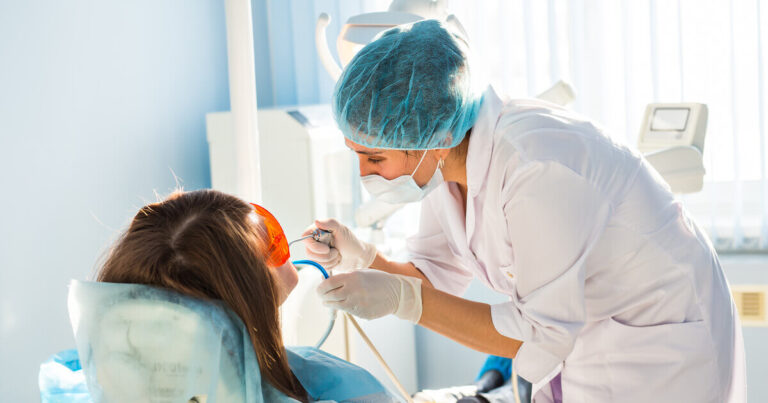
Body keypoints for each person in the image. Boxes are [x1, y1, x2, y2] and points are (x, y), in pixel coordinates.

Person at [304, 19, 746, 402]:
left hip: (658, 346)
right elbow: (431, 276)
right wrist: (364, 257)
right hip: (591, 337)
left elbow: (539, 335)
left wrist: (400, 301)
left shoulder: (535, 170)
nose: (364, 173)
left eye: (374, 158)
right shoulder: (442, 165)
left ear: (428, 140)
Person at [73, 189, 397, 403]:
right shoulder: (334, 388)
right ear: (249, 287)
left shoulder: (82, 385)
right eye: (268, 242)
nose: (278, 248)